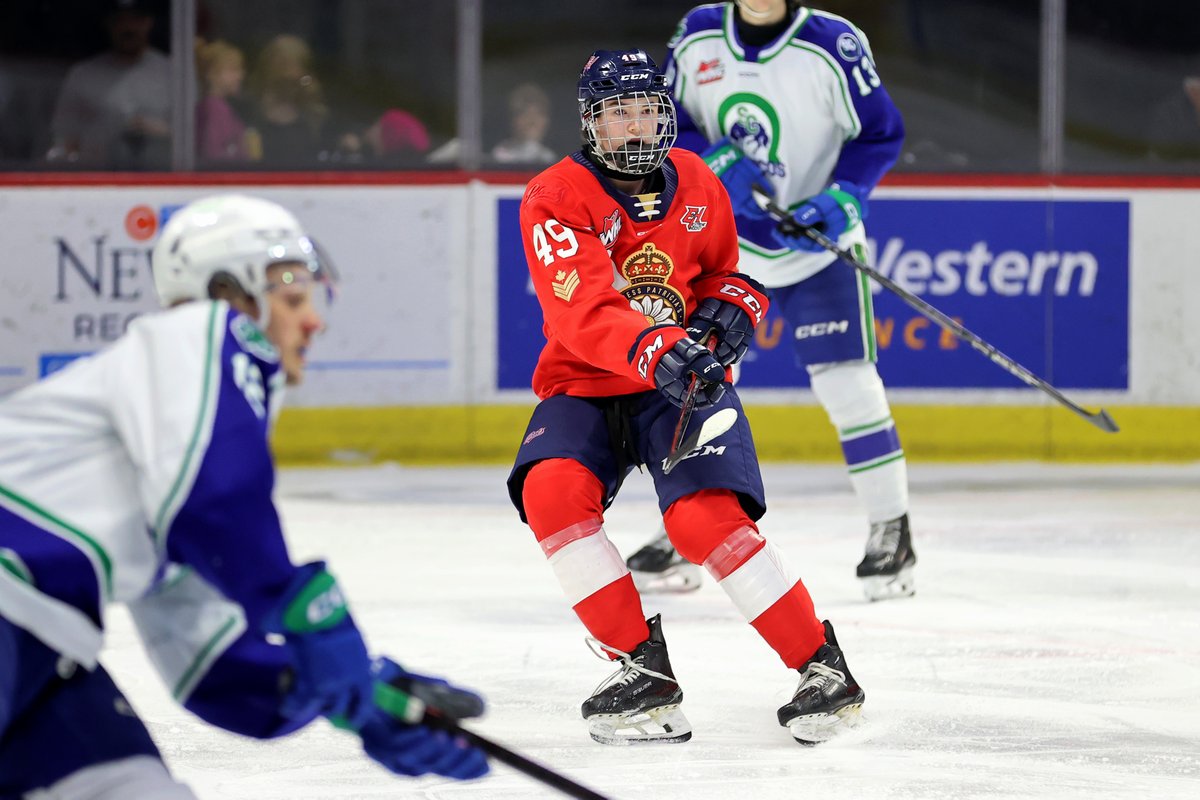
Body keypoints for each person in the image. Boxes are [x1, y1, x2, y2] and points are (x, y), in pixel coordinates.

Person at [0, 195, 488, 796]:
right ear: (230, 294)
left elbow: (210, 661)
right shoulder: (197, 331)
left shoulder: (172, 449)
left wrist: (361, 696)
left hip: (40, 648)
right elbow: (218, 499)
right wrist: (314, 614)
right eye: (291, 298)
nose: (315, 322)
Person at [507, 48, 864, 747]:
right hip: (588, 381)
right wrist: (655, 345)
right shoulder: (554, 197)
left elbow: (724, 274)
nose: (636, 124)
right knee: (551, 495)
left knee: (705, 522)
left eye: (647, 107)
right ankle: (641, 669)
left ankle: (822, 669)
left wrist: (734, 304)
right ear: (592, 123)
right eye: (619, 112)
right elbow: (581, 307)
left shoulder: (698, 180)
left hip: (680, 386)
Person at [625, 0, 916, 603]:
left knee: (847, 385)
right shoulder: (698, 34)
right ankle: (685, 529)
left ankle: (892, 528)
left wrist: (847, 196)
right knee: (695, 383)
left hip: (816, 247)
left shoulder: (833, 44)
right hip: (726, 248)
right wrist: (713, 155)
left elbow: (882, 132)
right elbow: (664, 119)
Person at [46, 0, 171, 169]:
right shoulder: (83, 75)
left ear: (149, 22)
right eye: (120, 20)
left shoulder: (174, 74)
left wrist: (159, 130)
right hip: (97, 181)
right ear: (108, 24)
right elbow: (64, 139)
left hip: (164, 181)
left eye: (135, 19)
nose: (128, 27)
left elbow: (195, 140)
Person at [244, 34, 331, 167]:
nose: (292, 74)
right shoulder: (249, 109)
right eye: (285, 65)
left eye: (298, 66)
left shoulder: (314, 111)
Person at [195, 38, 250, 163]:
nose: (240, 76)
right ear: (211, 73)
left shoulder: (216, 108)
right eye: (232, 70)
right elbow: (216, 158)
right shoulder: (214, 110)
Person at [491, 83, 557, 165]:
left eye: (539, 114)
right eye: (525, 114)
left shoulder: (549, 157)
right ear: (512, 120)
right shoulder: (501, 155)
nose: (532, 121)